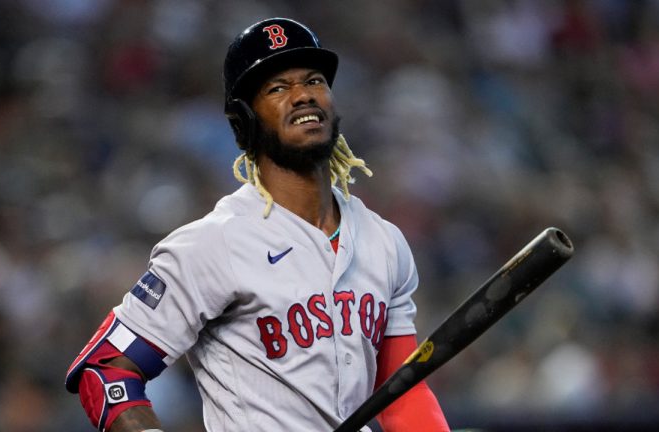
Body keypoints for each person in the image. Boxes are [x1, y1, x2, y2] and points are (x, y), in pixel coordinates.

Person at [65, 17, 451, 432]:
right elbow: (105, 369)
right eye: (278, 88)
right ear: (243, 121)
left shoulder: (384, 241)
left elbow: (401, 395)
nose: (303, 96)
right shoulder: (215, 242)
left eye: (314, 80)